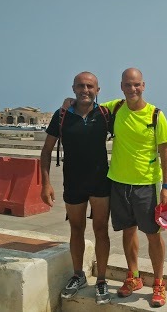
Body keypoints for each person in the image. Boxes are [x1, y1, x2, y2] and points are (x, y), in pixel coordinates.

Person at [63, 67, 167, 307]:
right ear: (121, 87)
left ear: (143, 86)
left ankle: (158, 282)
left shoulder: (156, 115)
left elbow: (165, 153)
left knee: (153, 235)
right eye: (127, 85)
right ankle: (133, 277)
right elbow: (87, 103)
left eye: (136, 85)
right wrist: (68, 102)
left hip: (146, 185)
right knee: (128, 231)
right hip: (118, 183)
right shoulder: (114, 108)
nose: (132, 89)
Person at [40, 72, 113, 305]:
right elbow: (46, 150)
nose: (85, 90)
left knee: (101, 230)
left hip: (101, 182)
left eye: (90, 86)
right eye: (81, 86)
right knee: (76, 229)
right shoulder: (62, 116)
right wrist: (46, 183)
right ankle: (78, 274)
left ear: (97, 90)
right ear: (73, 89)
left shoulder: (105, 115)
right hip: (73, 183)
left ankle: (101, 279)